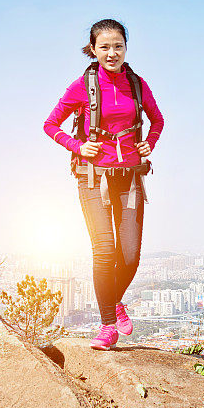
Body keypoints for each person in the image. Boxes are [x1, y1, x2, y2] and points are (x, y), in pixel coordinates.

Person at [43, 19, 164, 350]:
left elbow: (158, 119)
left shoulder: (137, 84)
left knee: (130, 255)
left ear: (126, 48)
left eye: (119, 46)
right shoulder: (82, 86)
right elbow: (50, 124)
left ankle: (115, 302)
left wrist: (148, 144)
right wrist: (79, 146)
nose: (112, 53)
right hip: (92, 176)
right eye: (105, 47)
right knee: (104, 250)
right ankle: (108, 325)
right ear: (93, 50)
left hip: (128, 177)